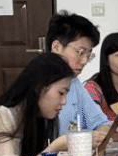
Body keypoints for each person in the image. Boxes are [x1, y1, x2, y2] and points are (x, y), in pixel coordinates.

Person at [47, 11, 111, 141]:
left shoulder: (74, 83)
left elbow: (101, 124)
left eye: (88, 55)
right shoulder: (37, 83)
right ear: (56, 47)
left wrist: (100, 137)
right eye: (80, 52)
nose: (84, 61)